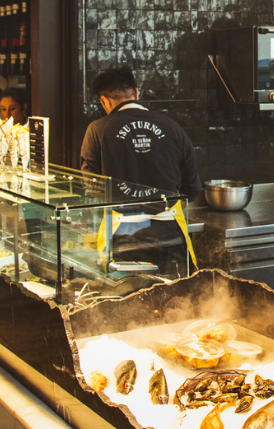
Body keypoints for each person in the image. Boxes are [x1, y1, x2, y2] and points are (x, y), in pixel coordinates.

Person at [81, 66, 202, 277]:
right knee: (177, 301)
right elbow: (192, 188)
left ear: (104, 101)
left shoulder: (97, 130)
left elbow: (92, 186)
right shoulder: (173, 127)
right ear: (136, 93)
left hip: (123, 238)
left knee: (129, 303)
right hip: (170, 236)